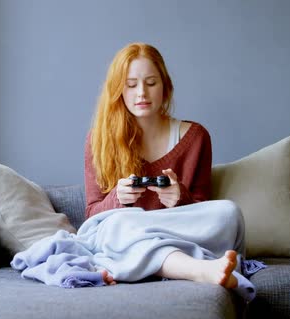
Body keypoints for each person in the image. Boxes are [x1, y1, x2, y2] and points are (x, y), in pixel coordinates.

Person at [85, 42, 240, 288]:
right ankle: (199, 270)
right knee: (118, 224)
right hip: (125, 232)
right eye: (131, 85)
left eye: (151, 83)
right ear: (118, 91)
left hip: (170, 232)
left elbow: (201, 211)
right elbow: (92, 216)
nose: (142, 94)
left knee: (230, 213)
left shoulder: (196, 136)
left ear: (165, 86)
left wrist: (179, 198)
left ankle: (143, 262)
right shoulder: (99, 139)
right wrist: (118, 198)